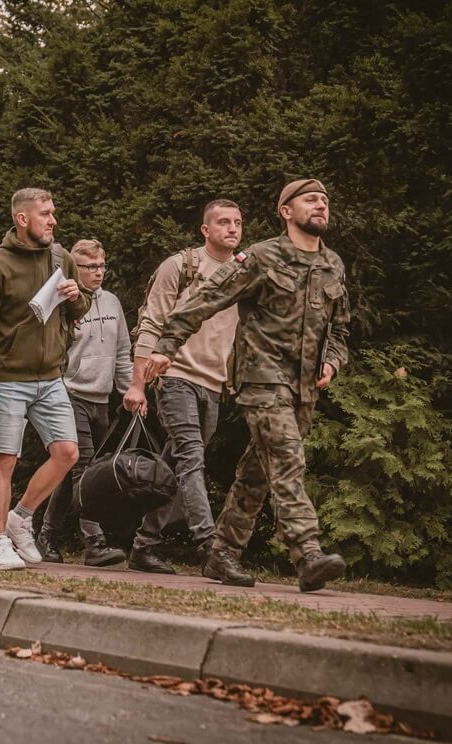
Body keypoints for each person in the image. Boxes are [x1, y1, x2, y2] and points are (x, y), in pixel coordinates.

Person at [147, 179, 350, 592]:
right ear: (286, 211)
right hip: (262, 380)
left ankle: (222, 553)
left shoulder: (333, 265)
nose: (321, 205)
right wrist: (168, 344)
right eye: (310, 199)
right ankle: (307, 553)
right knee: (289, 459)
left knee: (258, 473)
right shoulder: (260, 257)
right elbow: (207, 296)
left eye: (325, 200)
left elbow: (340, 328)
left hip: (302, 389)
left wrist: (332, 359)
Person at [0, 188, 92, 570]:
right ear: (22, 220)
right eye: (45, 214)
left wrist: (76, 295)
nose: (53, 220)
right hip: (7, 379)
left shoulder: (61, 257)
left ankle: (21, 517)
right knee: (5, 460)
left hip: (51, 377)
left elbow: (78, 310)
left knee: (68, 453)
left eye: (53, 213)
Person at [123, 199, 243, 574]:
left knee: (177, 465)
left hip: (214, 383)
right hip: (175, 377)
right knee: (192, 458)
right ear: (205, 230)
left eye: (238, 223)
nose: (233, 229)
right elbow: (152, 323)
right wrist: (138, 384)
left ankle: (143, 546)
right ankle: (211, 549)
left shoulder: (245, 273)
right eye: (223, 222)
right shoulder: (180, 266)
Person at [35, 238, 133, 567]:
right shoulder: (64, 302)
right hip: (68, 393)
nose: (98, 272)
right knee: (84, 469)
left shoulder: (112, 303)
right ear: (76, 269)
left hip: (101, 400)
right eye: (90, 267)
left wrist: (132, 390)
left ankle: (47, 534)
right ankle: (94, 541)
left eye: (102, 265)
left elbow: (122, 354)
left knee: (69, 472)